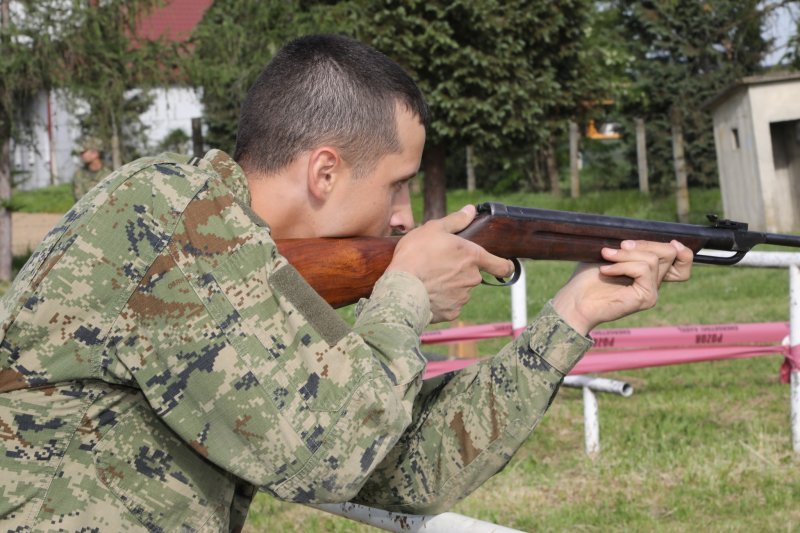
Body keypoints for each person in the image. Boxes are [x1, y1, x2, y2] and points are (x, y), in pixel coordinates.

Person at [0, 34, 693, 531]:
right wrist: (404, 293)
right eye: (396, 186)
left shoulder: (244, 270)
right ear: (325, 171)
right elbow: (332, 450)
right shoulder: (164, 214)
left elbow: (405, 467)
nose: (402, 216)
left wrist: (572, 313)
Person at [72, 136, 111, 200]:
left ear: (95, 153)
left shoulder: (109, 174)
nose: (81, 154)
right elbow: (79, 198)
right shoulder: (79, 174)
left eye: (84, 152)